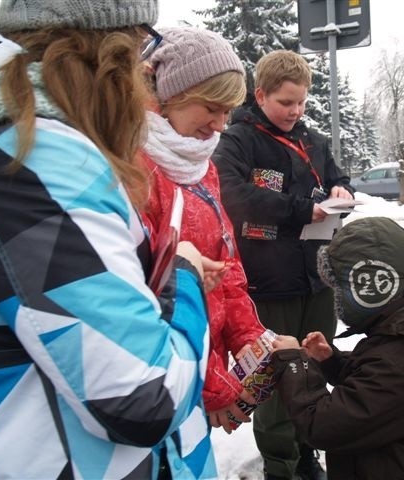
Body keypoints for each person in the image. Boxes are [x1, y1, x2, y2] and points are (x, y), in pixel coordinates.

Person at [0, 2, 216, 479]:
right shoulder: (32, 160)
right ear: (107, 51)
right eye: (144, 44)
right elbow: (146, 399)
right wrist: (184, 281)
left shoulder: (33, 150)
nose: (146, 69)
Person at [212, 49, 354, 480]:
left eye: (302, 103)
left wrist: (342, 192)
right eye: (286, 102)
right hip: (268, 283)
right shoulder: (239, 140)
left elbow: (336, 176)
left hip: (316, 279)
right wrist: (298, 210)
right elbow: (229, 193)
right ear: (260, 95)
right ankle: (280, 465)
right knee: (276, 377)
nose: (295, 111)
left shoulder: (313, 140)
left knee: (312, 365)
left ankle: (306, 451)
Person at [270, 216, 404, 479]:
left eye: (340, 288)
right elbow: (375, 391)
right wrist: (331, 361)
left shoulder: (398, 364)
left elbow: (322, 425)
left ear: (374, 286)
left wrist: (293, 363)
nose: (336, 297)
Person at [141, 26, 266, 434]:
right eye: (211, 107)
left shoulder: (201, 167)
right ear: (170, 94)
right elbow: (153, 304)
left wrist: (250, 339)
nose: (219, 125)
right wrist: (213, 383)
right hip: (167, 382)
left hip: (200, 376)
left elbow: (225, 268)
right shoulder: (137, 171)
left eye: (228, 112)